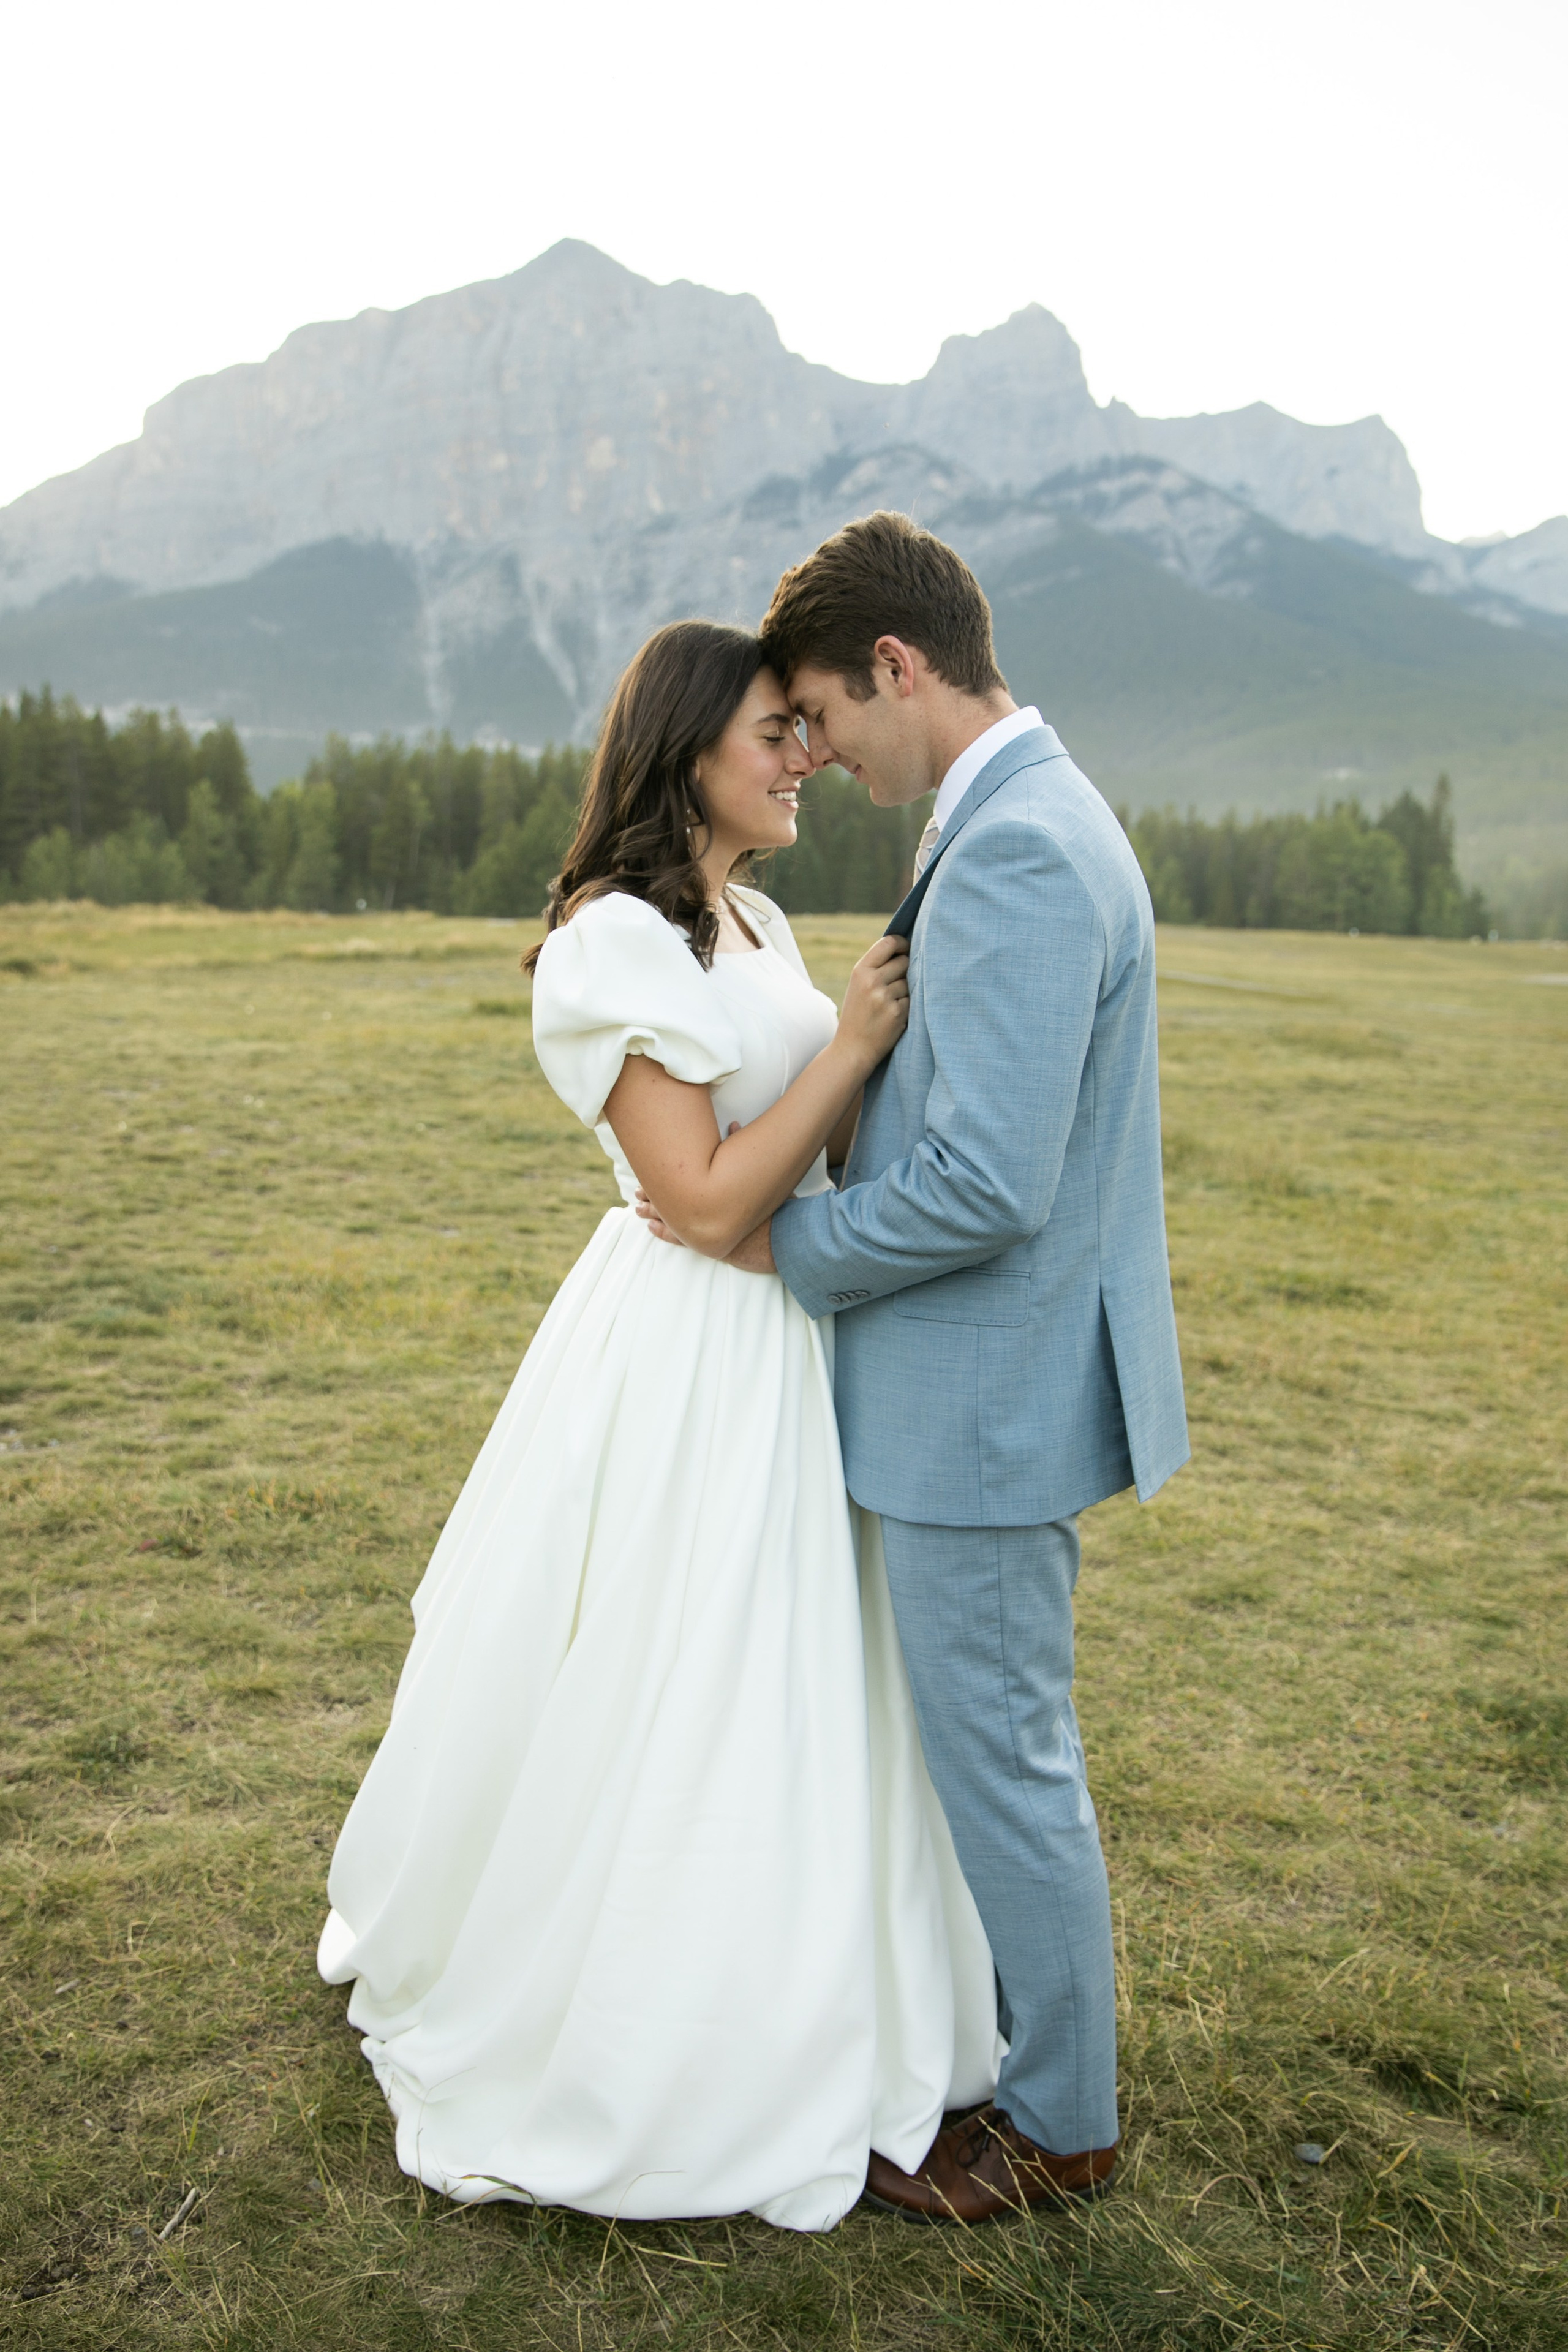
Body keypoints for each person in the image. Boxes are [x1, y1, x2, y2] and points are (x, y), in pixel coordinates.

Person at [317, 619, 1000, 2233]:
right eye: (776, 730)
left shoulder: (748, 914)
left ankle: (833, 1989)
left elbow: (799, 1155)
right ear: (688, 743)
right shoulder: (611, 941)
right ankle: (656, 2024)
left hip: (798, 1333)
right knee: (685, 1664)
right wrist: (849, 1045)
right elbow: (695, 1201)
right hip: (699, 1343)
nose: (804, 755)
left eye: (807, 731)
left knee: (810, 1672)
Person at [641, 513, 1189, 2222]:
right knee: (988, 1749)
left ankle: (1060, 2127)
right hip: (987, 1392)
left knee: (1007, 1760)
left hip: (986, 1408)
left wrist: (775, 1251)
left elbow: (987, 1180)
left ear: (899, 665)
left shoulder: (1022, 844)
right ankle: (1016, 2070)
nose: (818, 752)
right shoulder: (1025, 814)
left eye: (823, 712)